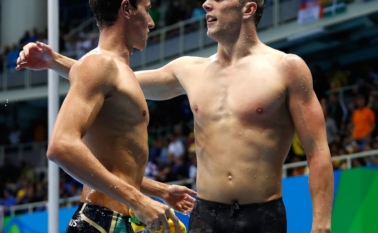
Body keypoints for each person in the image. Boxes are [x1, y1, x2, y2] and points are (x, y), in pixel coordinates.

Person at [17, 0, 333, 232]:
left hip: (263, 215)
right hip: (205, 214)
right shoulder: (188, 70)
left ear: (248, 8)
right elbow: (114, 79)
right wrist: (55, 61)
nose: (206, 3)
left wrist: (321, 225)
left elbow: (317, 151)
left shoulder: (287, 69)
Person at [17, 0, 197, 232]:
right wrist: (139, 200)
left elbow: (113, 166)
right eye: (147, 8)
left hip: (112, 219)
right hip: (100, 221)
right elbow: (61, 146)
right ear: (126, 9)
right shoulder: (100, 64)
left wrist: (160, 191)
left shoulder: (115, 70)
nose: (151, 21)